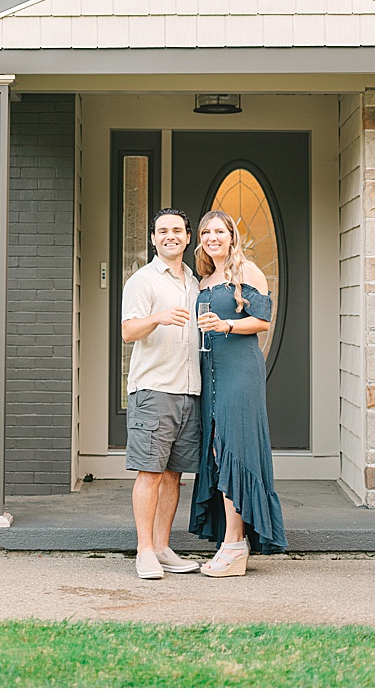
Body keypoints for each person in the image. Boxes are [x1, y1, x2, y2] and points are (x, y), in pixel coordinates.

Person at [189, 209, 287, 575]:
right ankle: (232, 543)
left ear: (232, 235)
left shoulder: (247, 272)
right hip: (210, 373)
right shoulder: (203, 280)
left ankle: (234, 546)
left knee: (235, 449)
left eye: (219, 231)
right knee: (217, 449)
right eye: (206, 232)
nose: (212, 237)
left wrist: (226, 324)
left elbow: (263, 320)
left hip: (240, 372)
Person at [119, 208, 203, 580]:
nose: (170, 236)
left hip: (190, 391)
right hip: (154, 390)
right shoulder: (143, 281)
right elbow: (128, 332)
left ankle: (163, 546)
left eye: (178, 230)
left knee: (173, 475)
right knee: (150, 473)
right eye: (162, 230)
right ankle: (144, 552)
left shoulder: (195, 281)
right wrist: (158, 318)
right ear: (153, 238)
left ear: (187, 238)